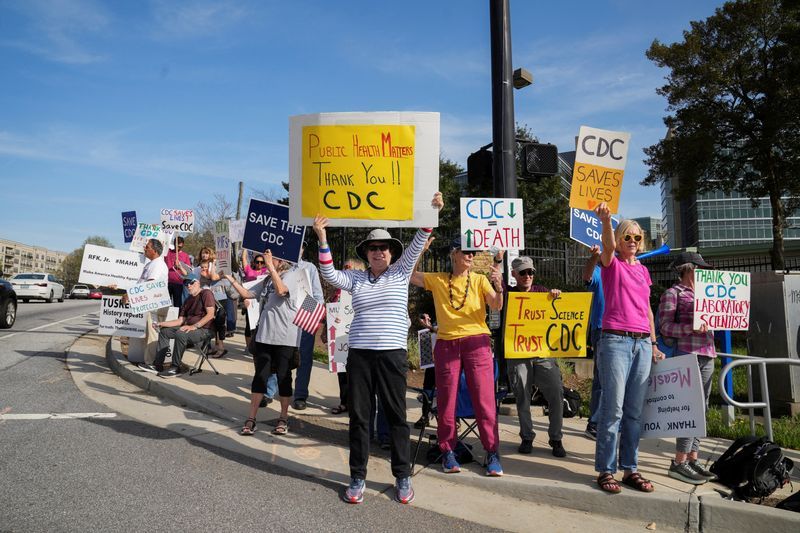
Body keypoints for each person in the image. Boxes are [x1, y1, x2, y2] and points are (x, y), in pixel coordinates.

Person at [313, 191, 442, 506]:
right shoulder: (356, 279)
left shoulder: (400, 272)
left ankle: (402, 476)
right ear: (366, 253)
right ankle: (357, 476)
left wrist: (432, 209)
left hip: (392, 356)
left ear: (391, 252)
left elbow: (420, 237)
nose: (378, 252)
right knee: (359, 417)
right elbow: (329, 274)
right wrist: (322, 237)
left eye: (383, 247)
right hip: (360, 355)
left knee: (397, 416)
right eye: (372, 248)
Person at [410, 238, 504, 477]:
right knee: (447, 400)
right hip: (447, 343)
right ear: (454, 254)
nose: (470, 255)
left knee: (484, 399)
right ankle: (448, 450)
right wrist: (420, 250)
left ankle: (492, 452)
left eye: (473, 252)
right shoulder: (440, 279)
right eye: (466, 251)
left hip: (478, 342)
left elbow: (496, 305)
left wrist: (499, 286)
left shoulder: (481, 280)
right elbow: (410, 275)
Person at [593, 202, 665, 494]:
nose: (632, 242)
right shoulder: (612, 264)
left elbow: (647, 308)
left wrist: (654, 341)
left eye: (637, 238)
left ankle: (630, 468)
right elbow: (607, 247)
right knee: (614, 410)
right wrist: (607, 221)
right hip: (615, 342)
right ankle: (606, 470)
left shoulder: (643, 271)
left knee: (634, 412)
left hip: (642, 344)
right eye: (628, 237)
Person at [223, 250, 302, 437]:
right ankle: (251, 418)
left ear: (281, 260)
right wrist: (229, 278)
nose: (267, 259)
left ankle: (283, 418)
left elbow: (282, 291)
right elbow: (247, 294)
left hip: (285, 338)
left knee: (284, 378)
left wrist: (271, 268)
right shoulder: (266, 278)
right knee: (260, 377)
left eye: (271, 256)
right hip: (265, 336)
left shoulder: (293, 276)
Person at [658, 251, 718, 485]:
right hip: (687, 353)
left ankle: (693, 458)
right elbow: (664, 327)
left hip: (707, 353)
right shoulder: (673, 294)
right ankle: (679, 461)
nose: (704, 271)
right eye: (699, 267)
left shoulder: (708, 294)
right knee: (688, 410)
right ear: (687, 268)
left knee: (701, 409)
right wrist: (690, 329)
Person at [503, 255, 566, 457]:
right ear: (514, 274)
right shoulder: (508, 294)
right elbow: (496, 287)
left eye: (531, 272)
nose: (528, 276)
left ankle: (556, 438)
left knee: (556, 392)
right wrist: (496, 264)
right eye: (523, 272)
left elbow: (559, 312)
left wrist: (557, 296)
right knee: (522, 395)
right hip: (518, 353)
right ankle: (527, 436)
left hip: (542, 353)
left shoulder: (543, 293)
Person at [139, 273, 215, 378]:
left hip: (204, 329)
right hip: (189, 328)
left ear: (198, 282)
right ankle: (158, 365)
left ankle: (175, 367)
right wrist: (161, 324)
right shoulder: (188, 300)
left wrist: (194, 326)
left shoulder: (206, 293)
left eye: (191, 282)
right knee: (165, 331)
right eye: (186, 283)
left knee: (180, 333)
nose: (188, 286)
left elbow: (211, 314)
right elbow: (180, 321)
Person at [329, 258, 365, 416]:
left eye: (348, 268)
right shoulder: (337, 291)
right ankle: (344, 402)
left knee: (356, 373)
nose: (344, 271)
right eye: (344, 268)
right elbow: (331, 311)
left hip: (357, 336)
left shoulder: (362, 288)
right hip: (341, 334)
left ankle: (357, 404)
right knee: (342, 371)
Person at [293, 243, 324, 411]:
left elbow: (318, 297)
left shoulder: (309, 268)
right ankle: (270, 391)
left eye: (302, 246)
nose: (298, 248)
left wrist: (305, 311)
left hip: (304, 318)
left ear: (304, 249)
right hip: (283, 319)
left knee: (304, 358)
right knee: (280, 356)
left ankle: (300, 395)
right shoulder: (278, 265)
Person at [582, 244, 604, 440]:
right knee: (602, 380)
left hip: (623, 331)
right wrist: (594, 258)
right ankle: (594, 423)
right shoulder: (598, 271)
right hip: (602, 330)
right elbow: (587, 277)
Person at [165, 236, 190, 307]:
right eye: (177, 246)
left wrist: (180, 266)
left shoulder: (185, 256)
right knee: (166, 304)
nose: (178, 248)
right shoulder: (168, 252)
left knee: (177, 304)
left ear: (182, 245)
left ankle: (177, 317)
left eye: (180, 246)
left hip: (178, 283)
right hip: (167, 282)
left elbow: (187, 272)